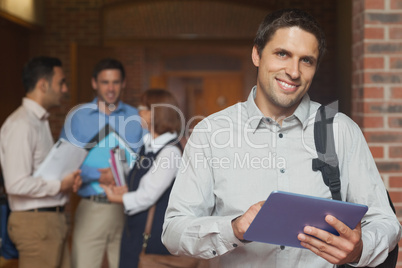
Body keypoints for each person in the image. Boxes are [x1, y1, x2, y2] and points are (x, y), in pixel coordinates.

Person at [162, 8, 402, 267]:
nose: (294, 71)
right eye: (282, 54)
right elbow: (173, 232)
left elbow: (385, 222)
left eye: (306, 60)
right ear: (257, 54)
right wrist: (234, 228)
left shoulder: (339, 129)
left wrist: (359, 249)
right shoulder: (210, 133)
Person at [60, 58, 143, 268]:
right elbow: (64, 164)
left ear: (124, 83)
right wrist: (100, 175)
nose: (111, 88)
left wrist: (122, 174)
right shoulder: (78, 118)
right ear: (94, 83)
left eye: (116, 82)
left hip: (129, 210)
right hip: (92, 208)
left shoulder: (137, 117)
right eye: (105, 82)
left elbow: (148, 161)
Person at [0, 56, 82, 268]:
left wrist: (67, 181)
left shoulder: (39, 121)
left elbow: (42, 173)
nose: (64, 89)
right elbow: (15, 184)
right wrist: (59, 185)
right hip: (36, 224)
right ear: (43, 85)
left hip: (51, 222)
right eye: (61, 82)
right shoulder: (22, 124)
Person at [101, 89, 183, 268]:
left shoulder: (170, 152)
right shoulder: (148, 145)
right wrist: (121, 180)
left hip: (152, 238)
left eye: (143, 107)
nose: (138, 112)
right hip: (135, 230)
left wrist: (119, 198)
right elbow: (139, 179)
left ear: (157, 112)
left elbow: (148, 195)